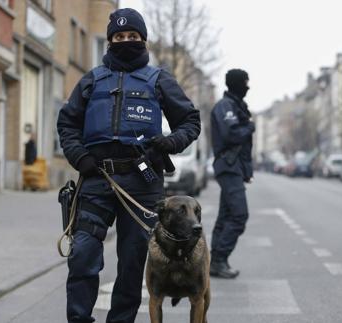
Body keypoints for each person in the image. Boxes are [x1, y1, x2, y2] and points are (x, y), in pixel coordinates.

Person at [57, 8, 200, 323]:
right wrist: (80, 157)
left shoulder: (159, 79)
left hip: (142, 183)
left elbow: (190, 121)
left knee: (133, 262)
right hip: (96, 179)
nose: (125, 41)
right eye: (119, 37)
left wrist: (170, 142)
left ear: (143, 40)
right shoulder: (91, 80)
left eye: (132, 36)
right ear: (110, 41)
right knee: (82, 254)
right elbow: (66, 123)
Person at [209, 69, 255, 279]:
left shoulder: (236, 106)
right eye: (245, 82)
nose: (248, 86)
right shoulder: (225, 107)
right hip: (228, 167)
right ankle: (219, 258)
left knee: (226, 215)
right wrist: (250, 128)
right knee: (239, 215)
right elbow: (231, 134)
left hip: (233, 167)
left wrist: (247, 171)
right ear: (236, 83)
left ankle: (215, 261)